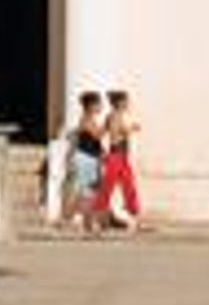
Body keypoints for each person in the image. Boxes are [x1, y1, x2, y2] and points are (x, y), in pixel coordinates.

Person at [98, 88, 145, 229]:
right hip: (116, 156)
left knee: (127, 187)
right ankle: (99, 218)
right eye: (125, 101)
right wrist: (131, 129)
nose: (127, 103)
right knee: (111, 188)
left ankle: (134, 219)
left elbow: (101, 133)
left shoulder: (112, 116)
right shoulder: (115, 116)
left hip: (120, 156)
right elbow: (114, 135)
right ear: (119, 102)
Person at [59, 92, 107, 230]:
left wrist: (102, 153)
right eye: (98, 104)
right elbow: (97, 135)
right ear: (90, 106)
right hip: (85, 159)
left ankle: (82, 220)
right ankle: (75, 220)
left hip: (91, 158)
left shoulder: (90, 120)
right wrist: (108, 125)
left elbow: (93, 140)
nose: (100, 107)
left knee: (89, 192)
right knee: (86, 192)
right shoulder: (86, 119)